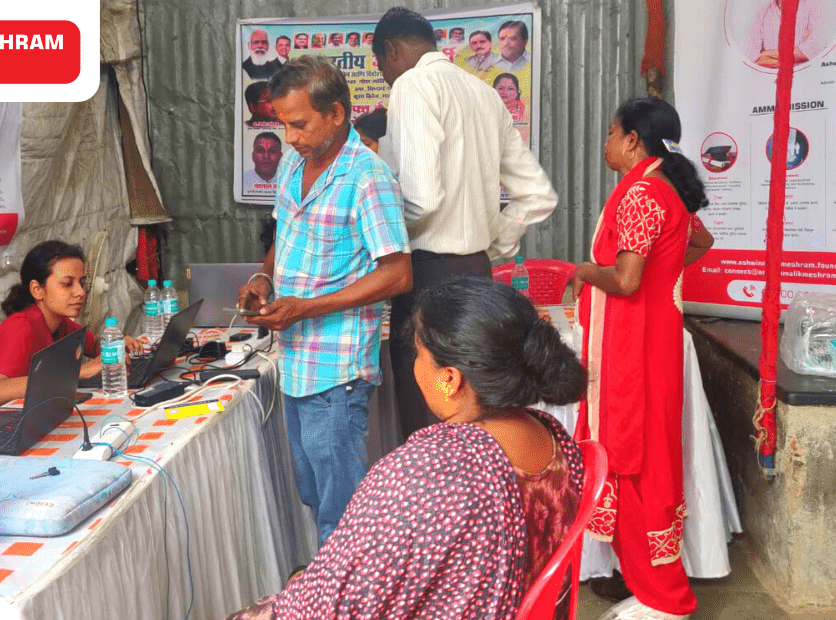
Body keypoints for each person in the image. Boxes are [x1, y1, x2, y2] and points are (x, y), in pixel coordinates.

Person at [226, 276, 586, 620]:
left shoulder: (431, 471)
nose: (416, 367)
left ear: (450, 378)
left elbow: (327, 606)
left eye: (418, 354)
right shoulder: (551, 436)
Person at [235, 55, 412, 546]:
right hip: (295, 364)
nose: (288, 138)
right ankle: (331, 591)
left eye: (298, 124)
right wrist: (262, 278)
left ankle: (348, 600)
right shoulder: (296, 164)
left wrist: (305, 308)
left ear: (336, 114)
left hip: (337, 374)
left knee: (341, 510)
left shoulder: (367, 177)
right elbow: (283, 232)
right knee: (315, 494)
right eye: (283, 124)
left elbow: (398, 273)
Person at [372, 6, 558, 440]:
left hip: (428, 283)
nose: (384, 75)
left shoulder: (413, 85)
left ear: (390, 50)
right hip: (478, 275)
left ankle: (436, 509)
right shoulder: (483, 93)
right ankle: (481, 505)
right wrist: (491, 242)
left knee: (429, 425)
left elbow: (420, 199)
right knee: (477, 419)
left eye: (381, 65)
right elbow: (538, 195)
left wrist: (382, 245)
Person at [571, 97, 711, 620]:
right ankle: (652, 586)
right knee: (645, 458)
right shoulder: (662, 188)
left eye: (611, 133)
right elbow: (698, 241)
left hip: (633, 353)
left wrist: (585, 271)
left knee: (632, 459)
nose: (606, 141)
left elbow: (626, 280)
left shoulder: (642, 193)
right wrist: (664, 275)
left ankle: (667, 598)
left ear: (633, 140)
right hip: (648, 345)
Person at [0, 241, 130, 408]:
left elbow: (93, 345)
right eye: (67, 284)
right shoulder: (21, 327)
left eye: (82, 283)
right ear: (37, 290)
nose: (81, 292)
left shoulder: (59, 322)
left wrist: (115, 346)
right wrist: (79, 372)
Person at [744, 0, 824, 68]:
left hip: (804, 79)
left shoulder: (812, 4)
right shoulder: (763, 12)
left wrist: (768, 54)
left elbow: (814, 48)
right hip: (769, 80)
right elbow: (753, 57)